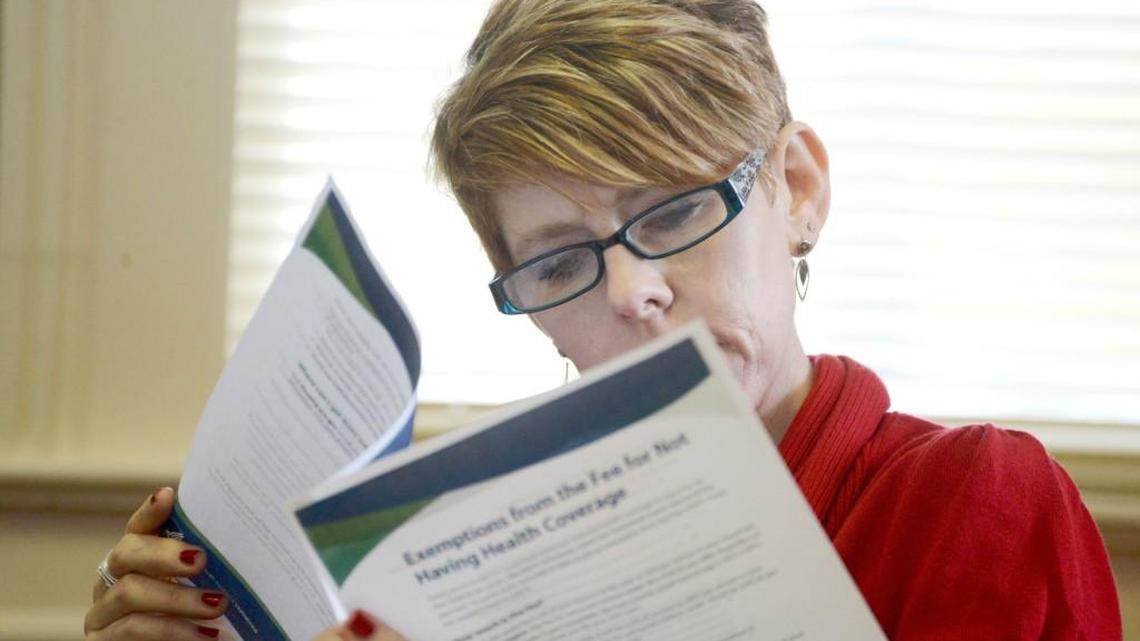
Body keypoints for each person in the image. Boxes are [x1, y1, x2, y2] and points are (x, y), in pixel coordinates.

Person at [84, 1, 1123, 640]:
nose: (631, 293)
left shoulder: (972, 498)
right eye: (560, 261)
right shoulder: (456, 558)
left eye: (671, 210)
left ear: (797, 188)